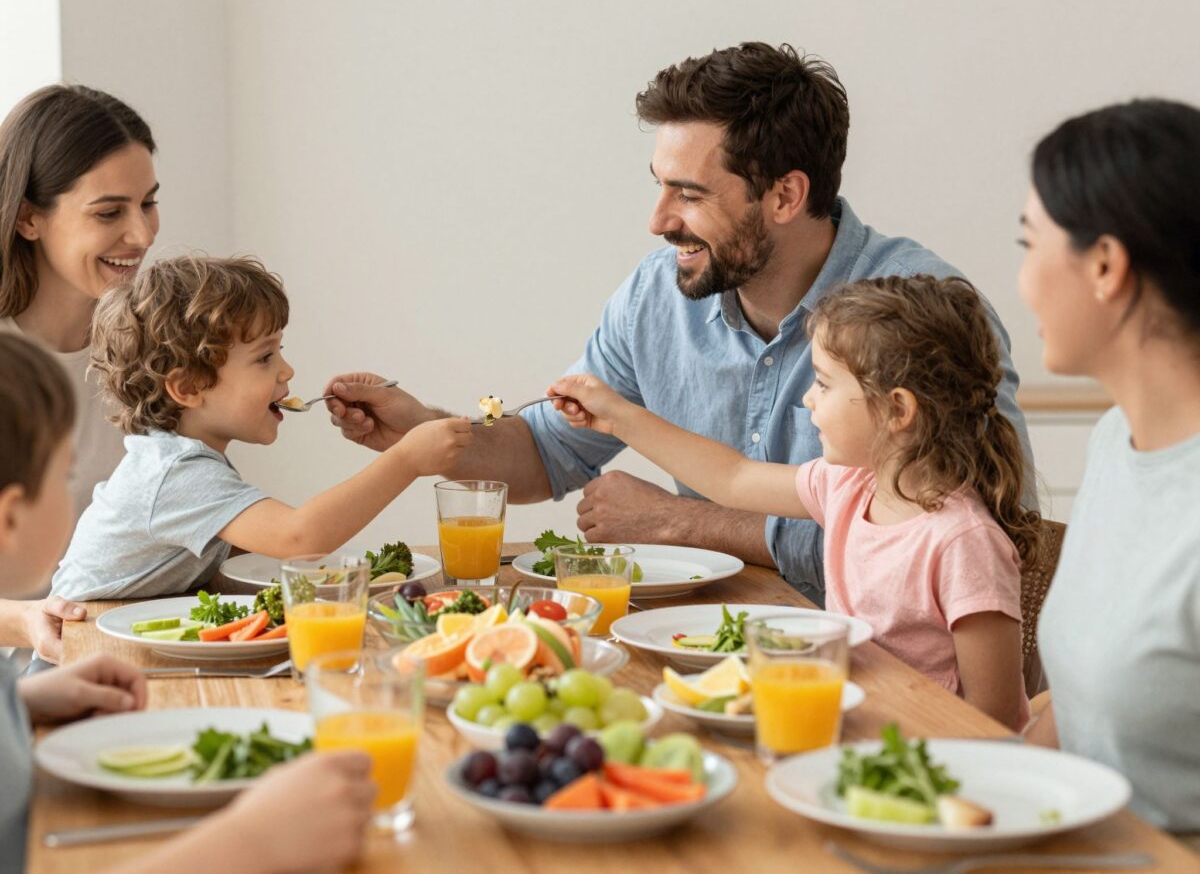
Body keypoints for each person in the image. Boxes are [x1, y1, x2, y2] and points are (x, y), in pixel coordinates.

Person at [322, 42, 1033, 605]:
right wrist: (430, 435)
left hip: (883, 678)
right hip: (705, 649)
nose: (659, 221)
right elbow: (549, 449)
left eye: (689, 195)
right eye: (659, 186)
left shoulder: (929, 312)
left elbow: (976, 539)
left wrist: (686, 524)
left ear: (785, 195)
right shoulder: (655, 296)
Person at [550, 275, 1036, 729]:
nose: (807, 399)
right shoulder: (849, 487)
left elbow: (991, 722)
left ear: (897, 410)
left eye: (824, 383)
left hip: (922, 759)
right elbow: (732, 476)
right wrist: (617, 417)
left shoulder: (962, 542)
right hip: (848, 727)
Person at [0, 331, 378, 874]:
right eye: (66, 475)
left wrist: (20, 705)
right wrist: (252, 844)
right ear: (12, 516)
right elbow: (302, 536)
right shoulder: (175, 470)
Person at [50, 255, 471, 600]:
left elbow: (258, 547)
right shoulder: (175, 473)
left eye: (279, 350)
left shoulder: (185, 460)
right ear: (189, 387)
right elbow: (298, 538)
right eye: (264, 357)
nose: (287, 370)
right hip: (76, 658)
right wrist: (408, 459)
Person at [1019, 100, 1200, 832]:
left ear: (1104, 265)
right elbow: (1080, 706)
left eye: (1028, 243)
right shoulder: (1113, 441)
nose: (1023, 279)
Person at [0, 84, 158, 659]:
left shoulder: (149, 348)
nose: (140, 235)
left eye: (148, 203)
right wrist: (23, 622)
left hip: (130, 658)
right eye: (109, 212)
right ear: (28, 219)